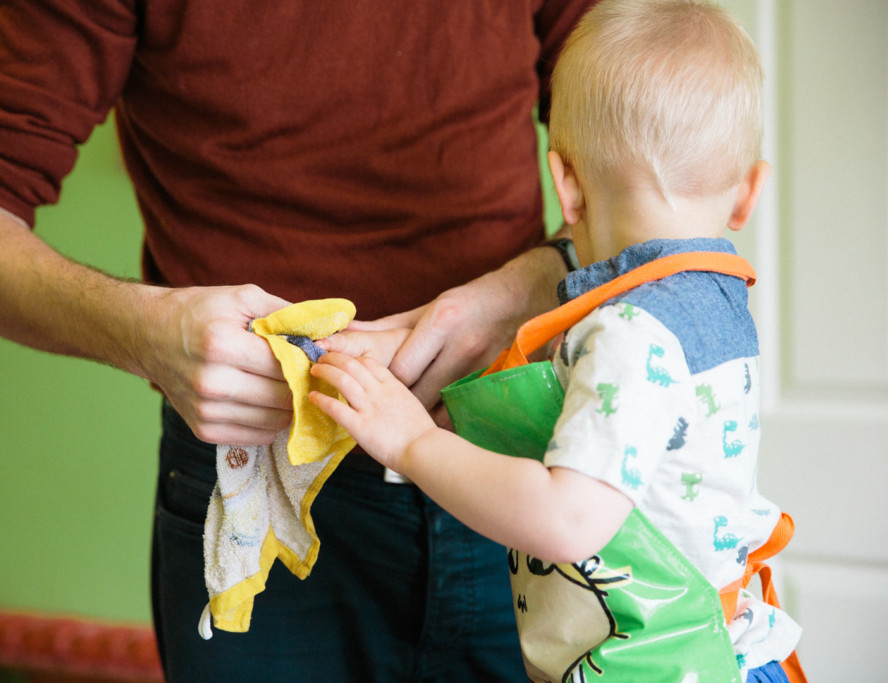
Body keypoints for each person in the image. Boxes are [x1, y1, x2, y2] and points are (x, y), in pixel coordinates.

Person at [0, 1, 601, 680]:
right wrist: (146, 330)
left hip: (517, 462)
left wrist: (530, 288)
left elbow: (656, 165)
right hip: (248, 485)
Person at [310, 1, 804, 681]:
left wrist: (411, 442)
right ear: (749, 192)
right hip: (727, 652)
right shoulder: (719, 300)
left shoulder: (630, 330)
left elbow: (570, 520)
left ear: (565, 185)